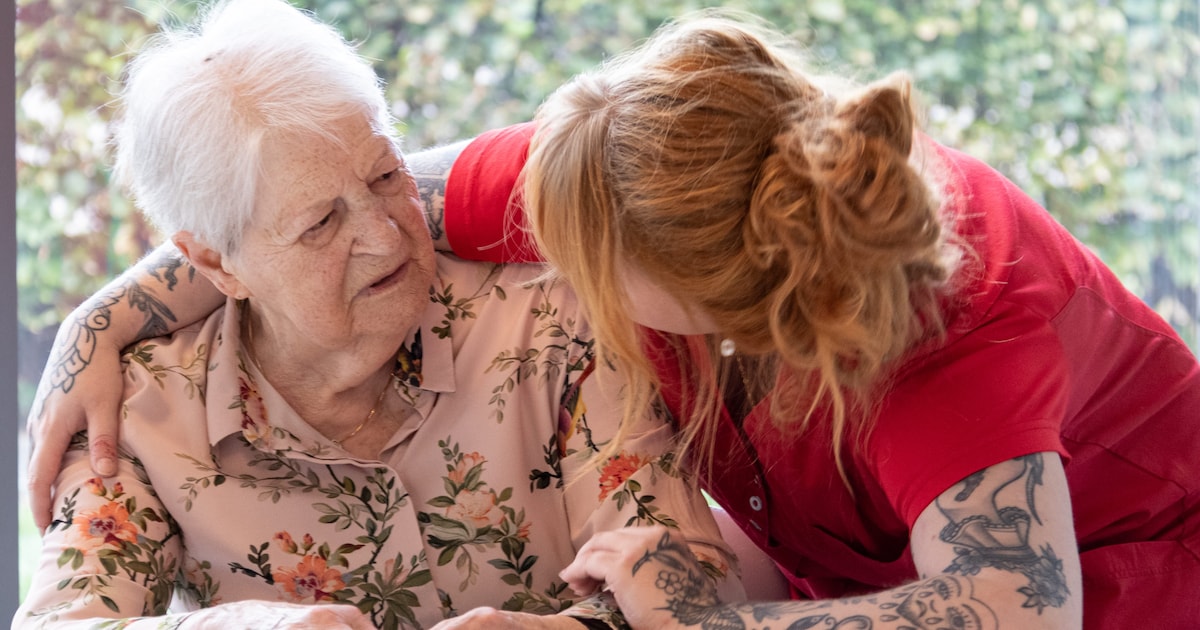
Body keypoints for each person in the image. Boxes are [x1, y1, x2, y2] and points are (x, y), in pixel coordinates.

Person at [27, 8, 1200, 630]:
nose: (398, 236)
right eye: (332, 220)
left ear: (710, 300)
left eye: (585, 264)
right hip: (854, 568)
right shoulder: (631, 173)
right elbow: (383, 189)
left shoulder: (957, 321)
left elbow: (1017, 609)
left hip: (1128, 579)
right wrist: (104, 318)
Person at [14, 1, 744, 627]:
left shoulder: (555, 321)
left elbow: (694, 582)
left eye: (388, 175)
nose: (386, 235)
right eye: (321, 223)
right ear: (214, 262)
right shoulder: (138, 416)